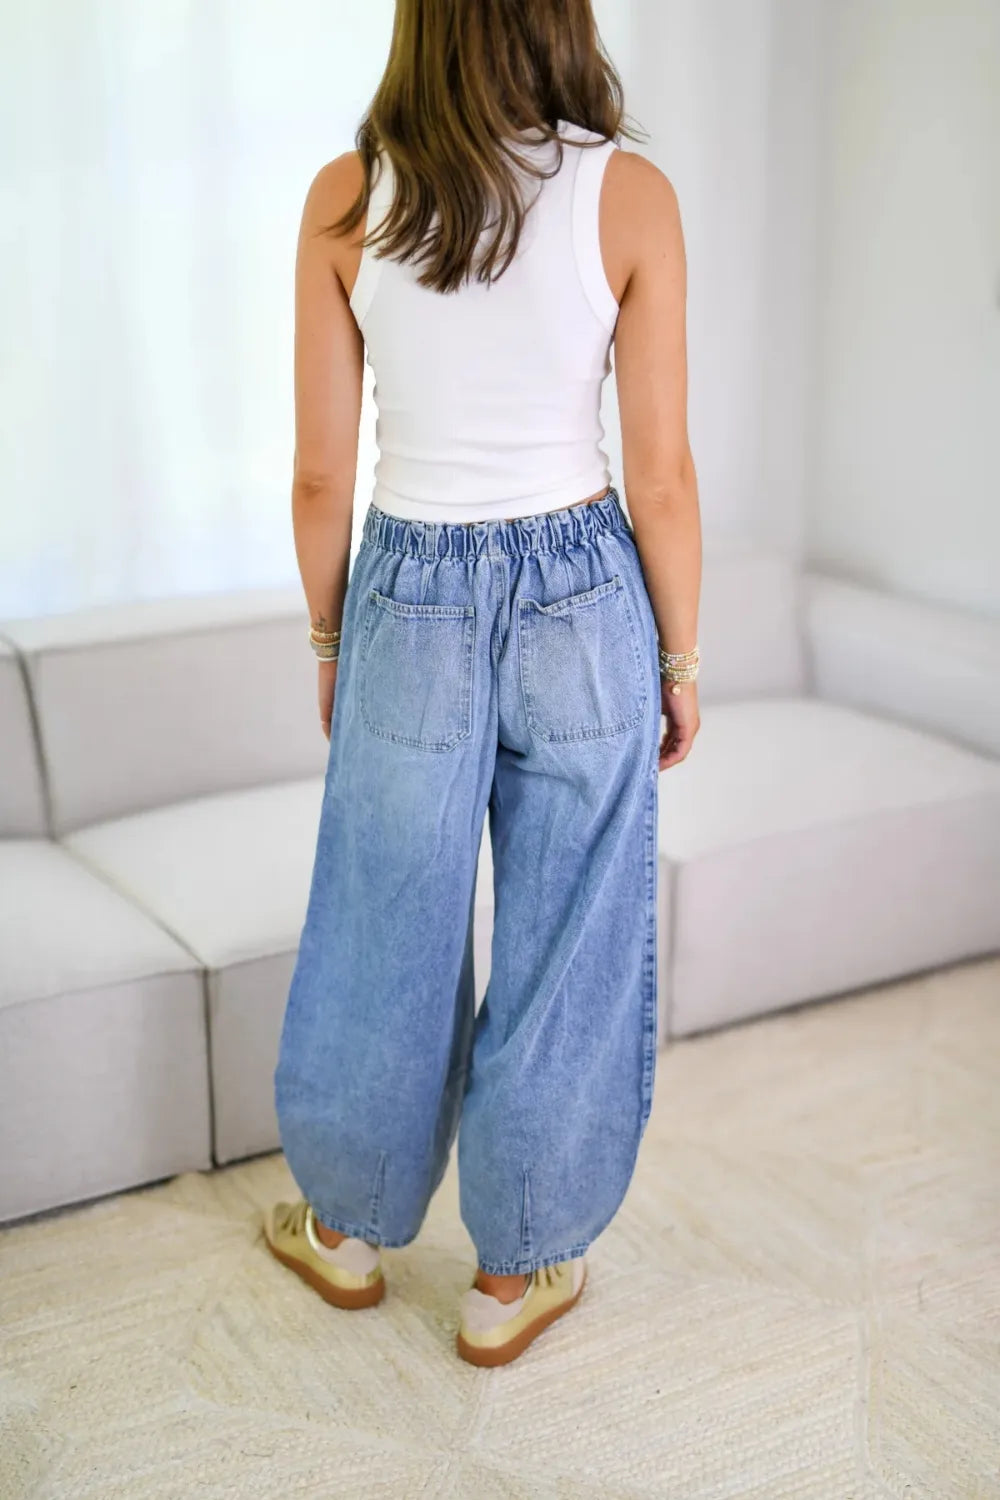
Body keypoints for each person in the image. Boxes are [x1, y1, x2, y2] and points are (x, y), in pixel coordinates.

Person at [266, 0, 702, 1367]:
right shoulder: (629, 196)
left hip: (409, 590)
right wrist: (679, 658)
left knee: (379, 918)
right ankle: (508, 1279)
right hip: (584, 591)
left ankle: (343, 1235)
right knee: (570, 936)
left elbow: (323, 478)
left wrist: (336, 641)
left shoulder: (348, 198)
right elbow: (666, 478)